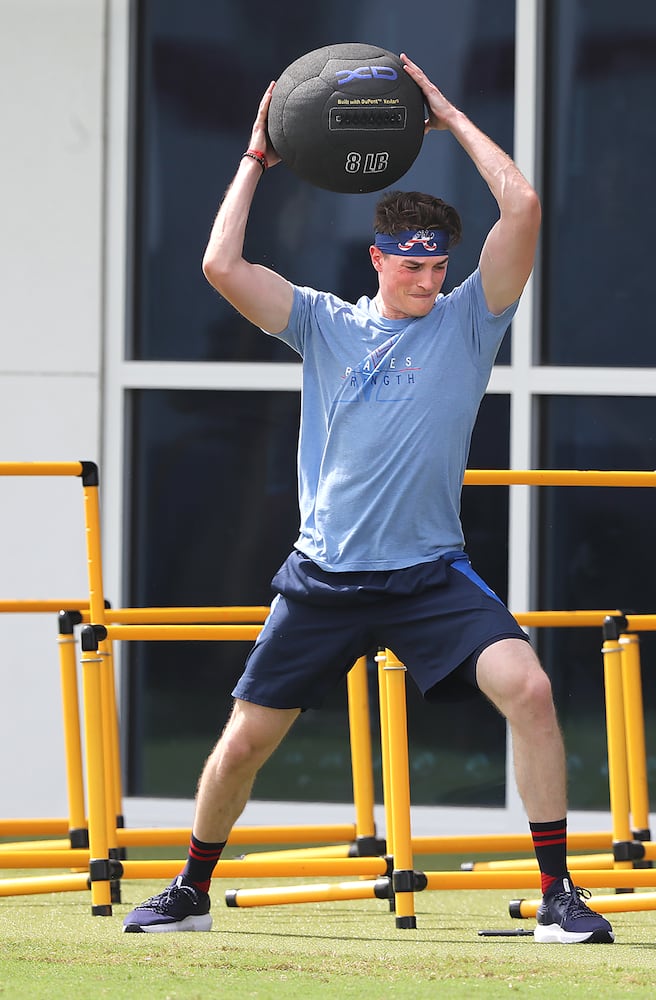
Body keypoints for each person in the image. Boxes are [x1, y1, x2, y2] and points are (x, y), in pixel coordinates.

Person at [123, 53, 614, 945]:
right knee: (243, 742)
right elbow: (219, 263)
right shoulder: (321, 323)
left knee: (529, 689)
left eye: (439, 266)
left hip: (429, 576)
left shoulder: (472, 320)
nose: (428, 280)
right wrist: (254, 159)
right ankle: (190, 889)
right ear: (380, 259)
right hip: (326, 578)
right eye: (413, 265)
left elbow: (525, 209)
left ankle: (557, 896)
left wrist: (450, 119)